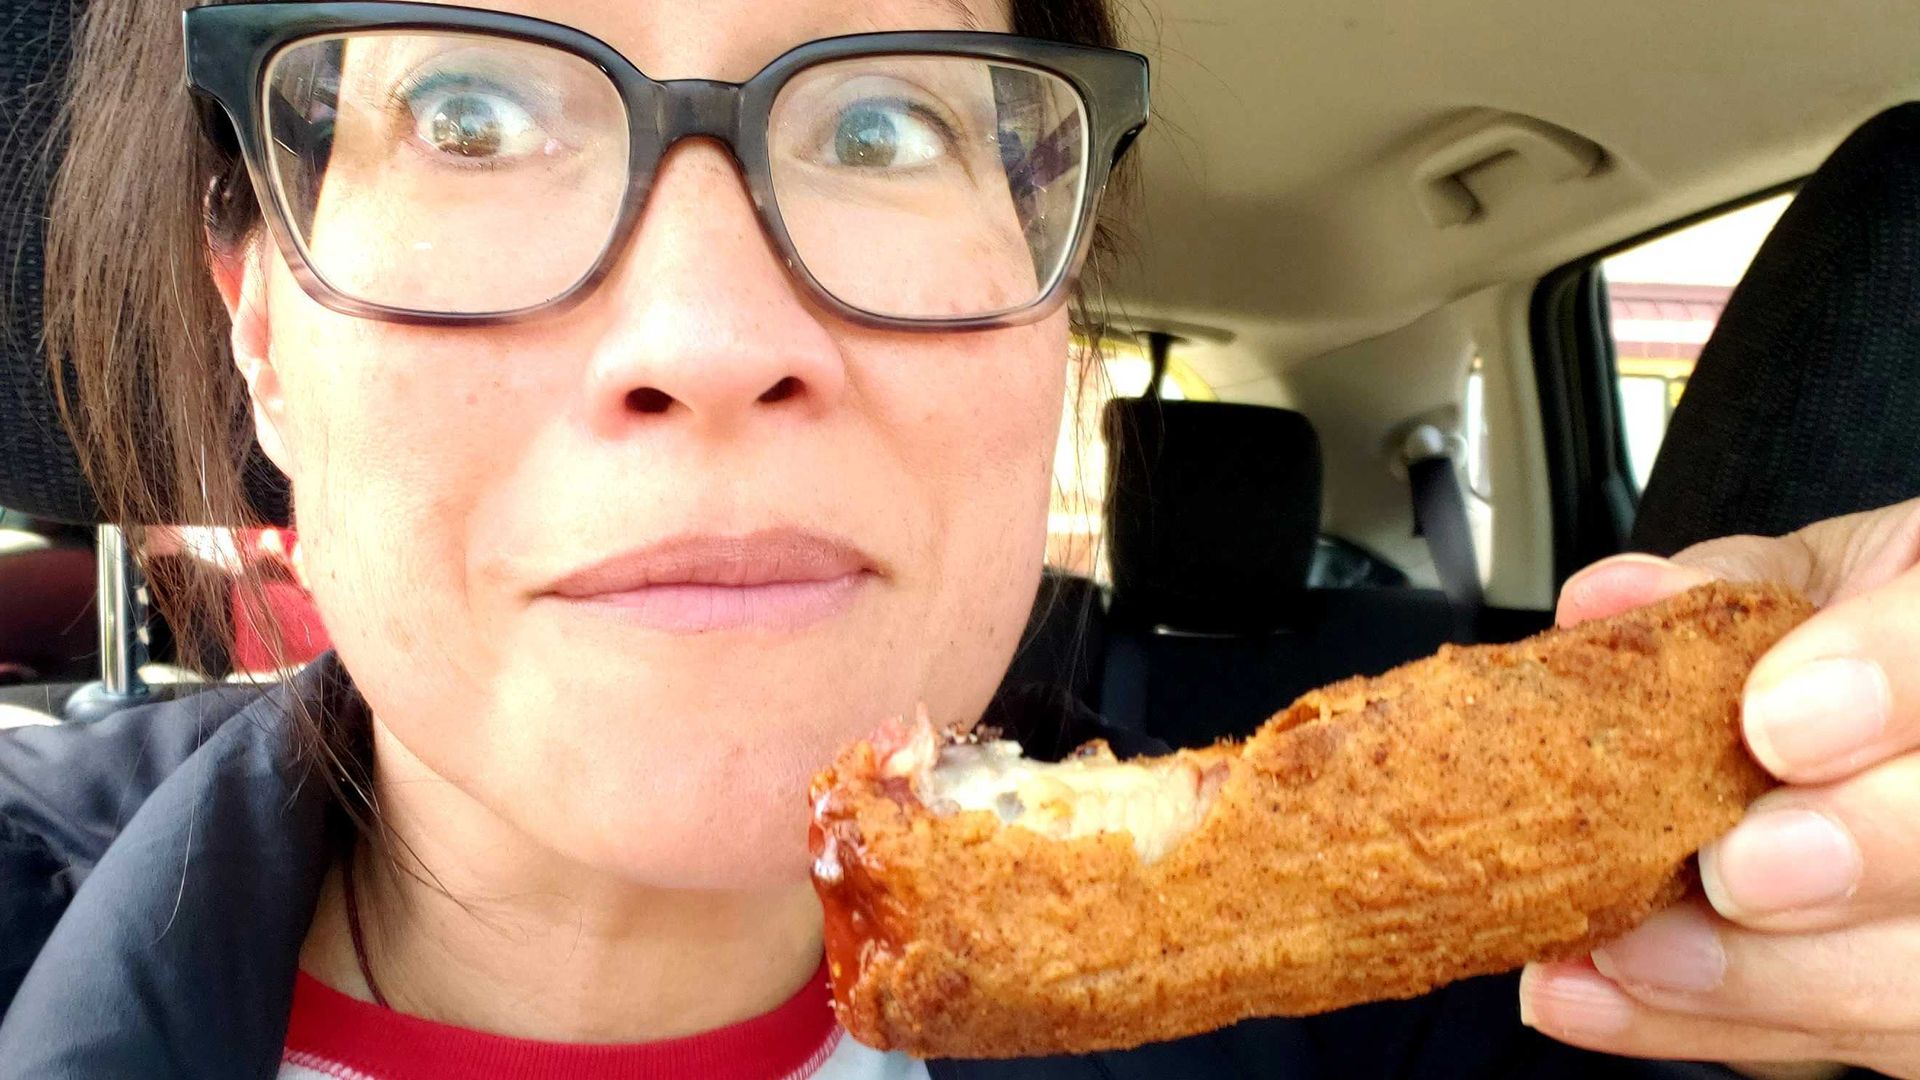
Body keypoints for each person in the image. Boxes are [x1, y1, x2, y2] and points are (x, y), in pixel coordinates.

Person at [1, 0, 1916, 1077]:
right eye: (473, 115)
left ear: (1051, 308)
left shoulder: (1507, 1018)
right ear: (263, 335)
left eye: (885, 126)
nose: (712, 335)